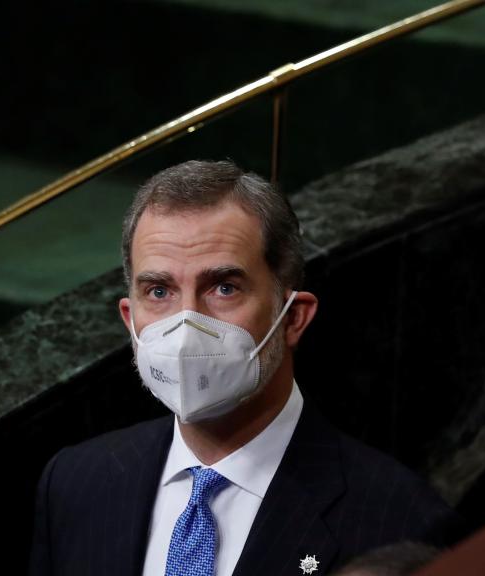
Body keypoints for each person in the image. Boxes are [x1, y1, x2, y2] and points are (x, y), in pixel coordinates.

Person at [29, 160, 463, 576]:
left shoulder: (399, 521)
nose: (187, 323)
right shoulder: (76, 482)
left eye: (223, 287)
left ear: (293, 318)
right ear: (130, 320)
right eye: (159, 290)